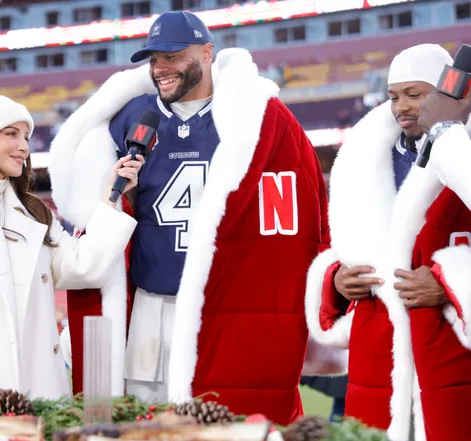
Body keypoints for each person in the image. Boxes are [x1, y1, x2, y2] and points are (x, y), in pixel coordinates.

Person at [48, 11, 330, 424]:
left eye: (172, 56)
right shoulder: (132, 116)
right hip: (147, 303)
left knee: (218, 420)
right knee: (141, 421)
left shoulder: (251, 116)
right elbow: (89, 213)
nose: (160, 68)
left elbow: (297, 211)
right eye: (153, 59)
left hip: (220, 306)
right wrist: (115, 196)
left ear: (206, 52)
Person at [0, 92, 141, 412]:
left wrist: (110, 199)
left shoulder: (35, 214)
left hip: (40, 387)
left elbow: (84, 266)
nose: (24, 147)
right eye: (12, 134)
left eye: (27, 136)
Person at [305, 44, 471, 441]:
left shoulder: (461, 153)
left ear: (449, 92)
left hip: (450, 348)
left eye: (415, 94)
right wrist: (336, 279)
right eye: (394, 96)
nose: (402, 107)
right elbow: (332, 244)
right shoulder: (362, 158)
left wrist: (451, 282)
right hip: (376, 352)